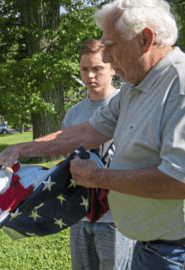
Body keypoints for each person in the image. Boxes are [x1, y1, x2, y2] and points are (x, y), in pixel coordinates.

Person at [0, 0, 185, 269]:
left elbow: (184, 182)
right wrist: (19, 150)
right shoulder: (136, 86)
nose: (105, 58)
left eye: (111, 46)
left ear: (145, 39)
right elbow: (88, 130)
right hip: (157, 249)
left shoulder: (184, 85)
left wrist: (98, 178)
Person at [65, 39, 134, 270]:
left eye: (97, 68)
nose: (90, 76)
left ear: (113, 67)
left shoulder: (129, 105)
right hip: (80, 215)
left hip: (118, 218)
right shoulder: (73, 115)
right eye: (85, 69)